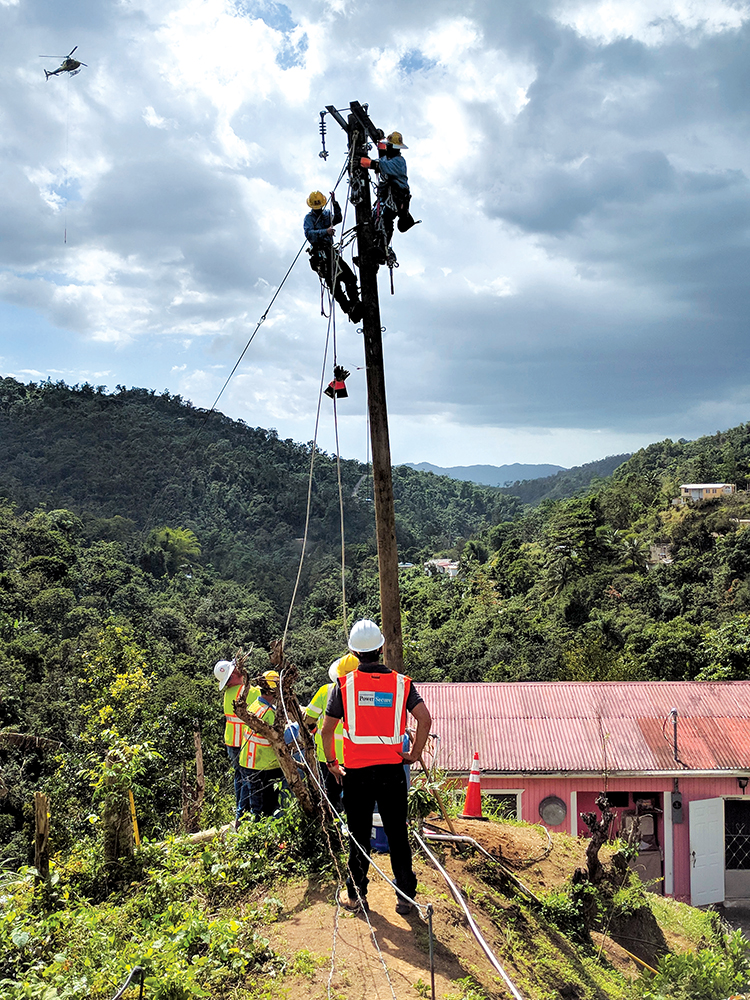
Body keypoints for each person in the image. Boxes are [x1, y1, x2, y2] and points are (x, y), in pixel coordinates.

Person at [321, 619, 432, 916]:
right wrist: (414, 752)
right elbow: (425, 718)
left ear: (353, 652)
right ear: (381, 648)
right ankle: (405, 896)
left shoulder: (342, 685)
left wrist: (332, 763)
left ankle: (356, 896)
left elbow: (326, 731)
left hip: (356, 773)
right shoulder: (401, 683)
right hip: (392, 771)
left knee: (359, 834)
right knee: (397, 833)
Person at [304, 652, 358, 809]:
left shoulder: (326, 691)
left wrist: (314, 729)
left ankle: (331, 828)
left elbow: (308, 718)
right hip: (355, 756)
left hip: (327, 755)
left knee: (330, 797)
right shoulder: (366, 694)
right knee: (354, 798)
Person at [304, 191, 363, 322]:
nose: (318, 210)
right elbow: (309, 234)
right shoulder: (309, 219)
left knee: (350, 278)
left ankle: (355, 303)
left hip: (330, 252)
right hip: (321, 256)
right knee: (335, 286)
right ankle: (348, 309)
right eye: (316, 208)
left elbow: (338, 218)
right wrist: (326, 231)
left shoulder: (326, 214)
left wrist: (334, 203)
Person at [214, 659, 260, 824]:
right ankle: (242, 816)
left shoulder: (228, 693)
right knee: (249, 779)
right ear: (233, 674)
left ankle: (240, 813)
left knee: (239, 778)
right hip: (244, 742)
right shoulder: (247, 691)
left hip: (231, 742)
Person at [239, 670, 285, 818]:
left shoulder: (255, 705)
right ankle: (262, 836)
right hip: (264, 765)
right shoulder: (268, 713)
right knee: (267, 807)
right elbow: (284, 737)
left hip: (250, 762)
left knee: (254, 805)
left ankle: (250, 832)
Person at [360, 131, 417, 247]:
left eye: (389, 146)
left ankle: (382, 248)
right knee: (374, 218)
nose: (387, 148)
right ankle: (371, 246)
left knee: (386, 219)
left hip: (397, 197)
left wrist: (364, 162)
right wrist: (380, 138)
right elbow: (382, 156)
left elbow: (380, 165)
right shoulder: (387, 157)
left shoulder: (399, 162)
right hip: (386, 196)